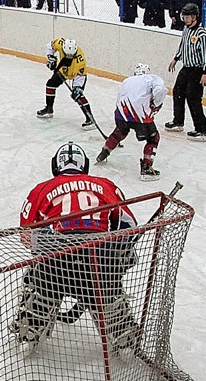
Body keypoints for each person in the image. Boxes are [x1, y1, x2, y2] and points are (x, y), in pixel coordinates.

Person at [10, 143, 138, 348]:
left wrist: (44, 249)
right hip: (99, 261)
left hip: (57, 263)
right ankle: (123, 335)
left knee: (37, 277)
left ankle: (30, 330)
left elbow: (26, 236)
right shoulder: (106, 185)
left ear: (55, 166)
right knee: (108, 286)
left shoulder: (41, 189)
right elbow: (129, 226)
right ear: (84, 166)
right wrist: (118, 253)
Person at [96, 63, 168, 180]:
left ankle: (103, 153)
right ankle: (146, 168)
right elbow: (161, 90)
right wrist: (155, 104)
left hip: (120, 115)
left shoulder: (126, 81)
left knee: (119, 132)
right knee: (153, 138)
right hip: (141, 117)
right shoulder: (151, 78)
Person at [166, 1, 206, 141]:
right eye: (184, 16)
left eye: (188, 17)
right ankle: (178, 121)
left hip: (197, 70)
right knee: (178, 92)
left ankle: (201, 130)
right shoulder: (186, 30)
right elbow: (183, 46)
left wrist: (205, 72)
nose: (185, 19)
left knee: (193, 99)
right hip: (186, 68)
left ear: (195, 17)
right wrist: (176, 58)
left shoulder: (201, 34)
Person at [37, 36, 91, 120]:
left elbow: (81, 76)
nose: (69, 57)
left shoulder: (80, 61)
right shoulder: (60, 43)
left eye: (71, 56)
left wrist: (78, 88)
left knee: (77, 95)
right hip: (63, 70)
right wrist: (51, 58)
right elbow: (50, 46)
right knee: (50, 84)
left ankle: (90, 118)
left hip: (76, 74)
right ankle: (49, 109)